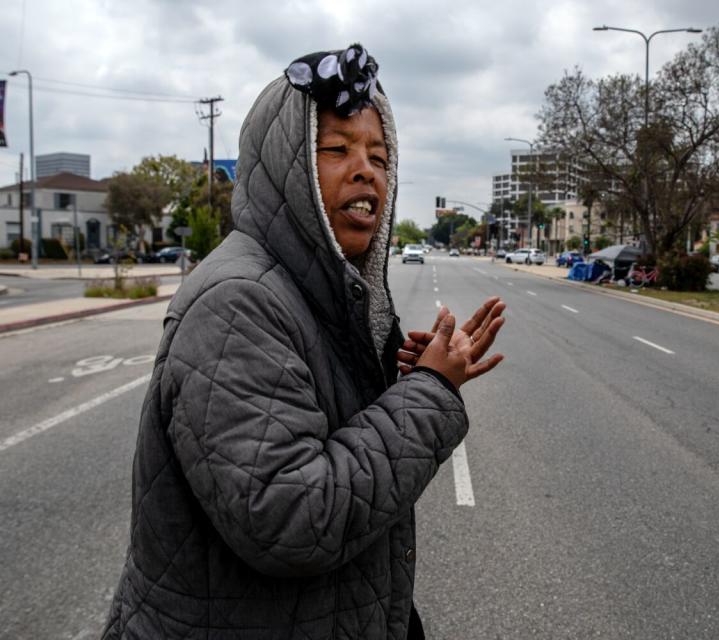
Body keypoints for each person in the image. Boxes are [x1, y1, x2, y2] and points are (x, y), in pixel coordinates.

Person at [102, 44, 506, 639]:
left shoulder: (328, 294)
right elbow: (292, 516)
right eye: (337, 149)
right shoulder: (237, 302)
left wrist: (406, 380)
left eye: (380, 155)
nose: (366, 169)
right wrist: (429, 393)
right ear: (288, 168)